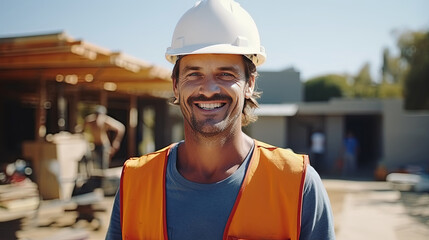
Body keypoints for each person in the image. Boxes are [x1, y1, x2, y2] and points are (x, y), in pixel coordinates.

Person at [106, 0, 335, 239]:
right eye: (194, 74)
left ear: (250, 84)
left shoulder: (297, 184)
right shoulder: (134, 183)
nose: (208, 89)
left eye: (225, 74)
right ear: (175, 85)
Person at [83, 105, 125, 171]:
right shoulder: (90, 120)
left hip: (104, 146)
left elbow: (121, 128)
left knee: (103, 166)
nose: (98, 118)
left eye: (100, 116)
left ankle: (103, 180)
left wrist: (116, 141)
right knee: (95, 165)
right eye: (97, 115)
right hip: (95, 145)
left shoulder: (106, 121)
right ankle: (97, 180)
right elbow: (83, 128)